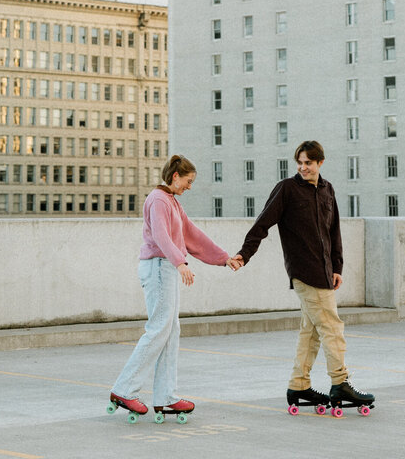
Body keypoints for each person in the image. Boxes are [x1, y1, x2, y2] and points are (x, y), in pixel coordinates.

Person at [232, 140, 376, 413]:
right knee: (332, 327)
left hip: (324, 271)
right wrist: (244, 254)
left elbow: (334, 232)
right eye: (299, 163)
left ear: (320, 162)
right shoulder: (287, 189)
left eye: (308, 163)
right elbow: (263, 222)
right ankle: (340, 382)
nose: (303, 167)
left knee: (310, 332)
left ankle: (299, 384)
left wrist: (337, 267)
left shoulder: (327, 189)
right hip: (304, 270)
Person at [108, 155, 241, 421]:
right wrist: (180, 263)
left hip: (165, 267)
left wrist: (223, 258)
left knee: (170, 331)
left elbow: (191, 235)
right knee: (159, 328)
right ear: (175, 176)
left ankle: (166, 397)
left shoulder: (172, 202)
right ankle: (124, 389)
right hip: (159, 267)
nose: (189, 187)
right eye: (188, 181)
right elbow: (160, 235)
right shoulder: (158, 200)